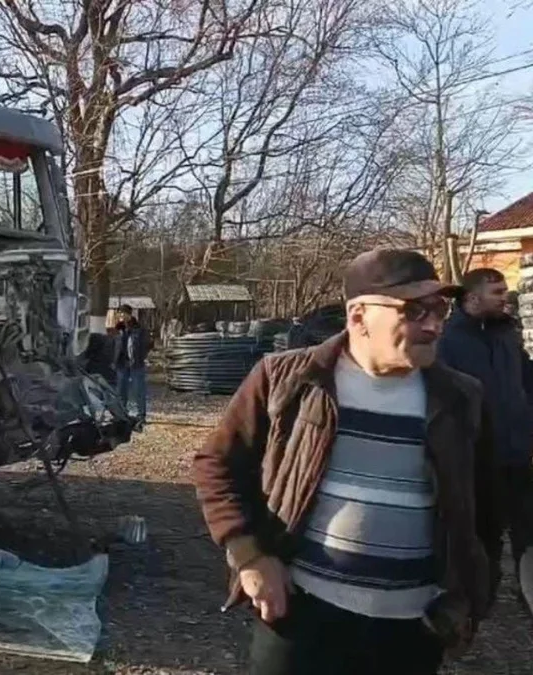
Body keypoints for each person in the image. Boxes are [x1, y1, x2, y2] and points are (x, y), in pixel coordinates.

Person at [192, 249, 501, 675]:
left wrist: (471, 599)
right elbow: (215, 465)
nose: (433, 325)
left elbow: (483, 511)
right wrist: (250, 556)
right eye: (414, 311)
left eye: (439, 309)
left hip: (411, 629)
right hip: (303, 618)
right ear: (358, 317)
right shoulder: (288, 380)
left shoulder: (461, 397)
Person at [438, 268, 533, 608]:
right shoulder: (447, 342)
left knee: (529, 532)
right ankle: (477, 601)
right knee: (485, 536)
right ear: (472, 298)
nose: (505, 297)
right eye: (497, 292)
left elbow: (526, 381)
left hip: (519, 455)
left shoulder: (507, 335)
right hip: (478, 461)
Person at [112, 304, 153, 424]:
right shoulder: (119, 329)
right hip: (121, 363)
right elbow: (115, 346)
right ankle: (121, 414)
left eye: (124, 313)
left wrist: (141, 356)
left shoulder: (139, 329)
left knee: (138, 390)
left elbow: (147, 344)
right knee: (121, 391)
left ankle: (141, 415)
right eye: (120, 313)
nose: (121, 316)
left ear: (129, 314)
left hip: (136, 363)